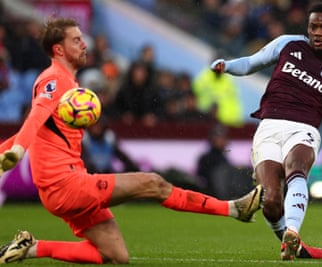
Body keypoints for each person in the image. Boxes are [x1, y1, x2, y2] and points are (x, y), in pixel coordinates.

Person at [0, 17, 263, 264]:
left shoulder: (67, 80)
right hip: (65, 185)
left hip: (67, 183)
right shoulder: (54, 79)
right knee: (152, 183)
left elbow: (33, 127)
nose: (84, 44)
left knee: (114, 254)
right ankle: (234, 209)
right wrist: (19, 150)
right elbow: (34, 118)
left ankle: (30, 247)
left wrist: (6, 150)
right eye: (76, 40)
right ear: (58, 49)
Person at [210, 2, 322, 261]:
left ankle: (293, 230)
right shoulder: (288, 44)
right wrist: (226, 65)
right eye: (313, 27)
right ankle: (291, 243)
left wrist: (316, 148)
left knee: (296, 167)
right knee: (271, 199)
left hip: (304, 129)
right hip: (269, 126)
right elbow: (251, 63)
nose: (317, 32)